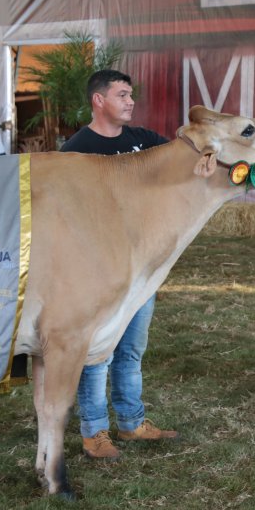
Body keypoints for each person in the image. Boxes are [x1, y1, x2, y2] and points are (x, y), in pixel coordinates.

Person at [61, 69, 178, 460]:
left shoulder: (144, 141)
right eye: (122, 95)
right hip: (99, 273)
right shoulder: (76, 150)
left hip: (142, 268)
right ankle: (94, 432)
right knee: (97, 354)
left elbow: (180, 163)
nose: (131, 102)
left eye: (130, 95)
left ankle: (131, 422)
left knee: (131, 349)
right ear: (99, 100)